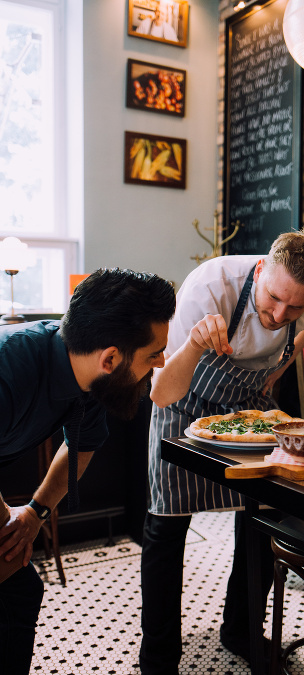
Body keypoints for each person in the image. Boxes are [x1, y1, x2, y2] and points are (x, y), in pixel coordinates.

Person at [140, 232, 304, 675]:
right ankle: (158, 660)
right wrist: (194, 344)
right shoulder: (208, 288)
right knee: (165, 530)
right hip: (184, 406)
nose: (279, 315)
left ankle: (242, 631)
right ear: (258, 271)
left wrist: (280, 367)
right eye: (273, 299)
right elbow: (159, 393)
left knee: (260, 522)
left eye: (295, 307)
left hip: (252, 412)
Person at [0, 267, 175, 675]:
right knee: (14, 586)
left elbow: (82, 447)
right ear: (111, 357)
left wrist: (34, 512)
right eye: (154, 354)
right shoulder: (11, 368)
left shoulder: (93, 379)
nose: (162, 361)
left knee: (17, 588)